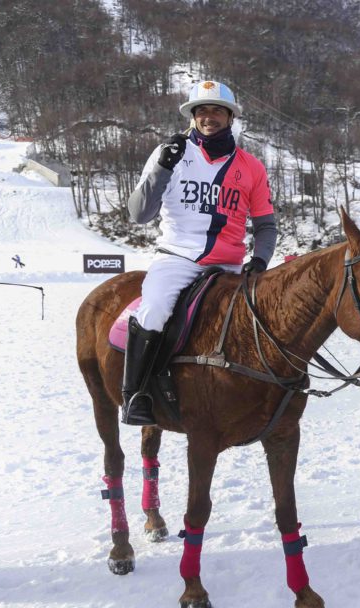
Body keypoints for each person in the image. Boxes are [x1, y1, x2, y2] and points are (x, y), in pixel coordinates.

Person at [122, 80, 277, 425]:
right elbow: (138, 215)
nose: (209, 117)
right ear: (192, 117)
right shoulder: (170, 152)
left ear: (230, 117)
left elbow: (266, 226)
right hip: (178, 258)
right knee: (156, 310)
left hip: (229, 264)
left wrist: (260, 260)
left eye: (217, 111)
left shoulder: (251, 166)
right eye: (202, 111)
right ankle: (135, 394)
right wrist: (162, 168)